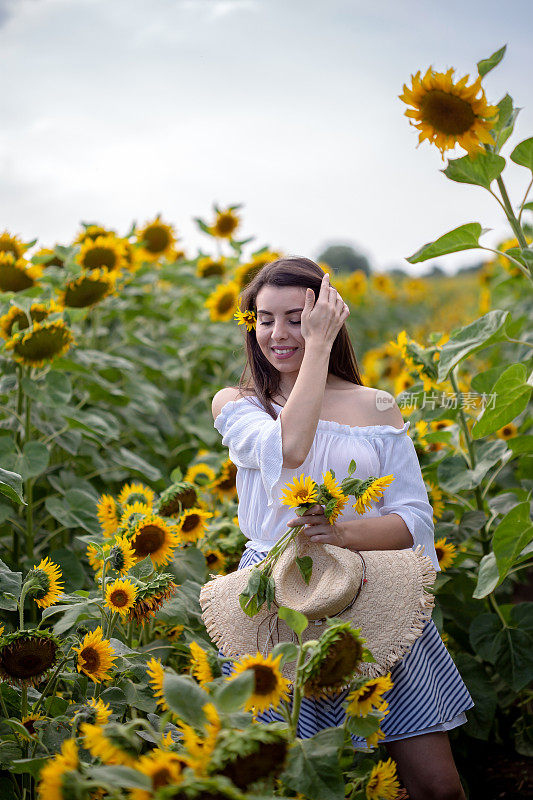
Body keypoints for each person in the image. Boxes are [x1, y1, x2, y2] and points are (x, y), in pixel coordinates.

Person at [211, 257, 473, 800]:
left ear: (327, 319)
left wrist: (345, 534)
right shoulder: (240, 404)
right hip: (276, 599)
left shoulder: (376, 406)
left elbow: (414, 520)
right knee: (291, 776)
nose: (278, 334)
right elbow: (290, 447)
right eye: (264, 319)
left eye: (297, 318)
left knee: (435, 784)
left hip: (372, 588)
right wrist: (318, 351)